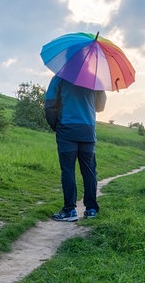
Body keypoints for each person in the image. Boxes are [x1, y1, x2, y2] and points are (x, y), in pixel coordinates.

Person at [44, 75, 106, 221]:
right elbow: (100, 107)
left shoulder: (59, 77)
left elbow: (50, 104)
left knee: (68, 171)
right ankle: (91, 209)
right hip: (88, 131)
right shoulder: (97, 79)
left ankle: (70, 211)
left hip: (67, 130)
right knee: (90, 171)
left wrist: (55, 125)